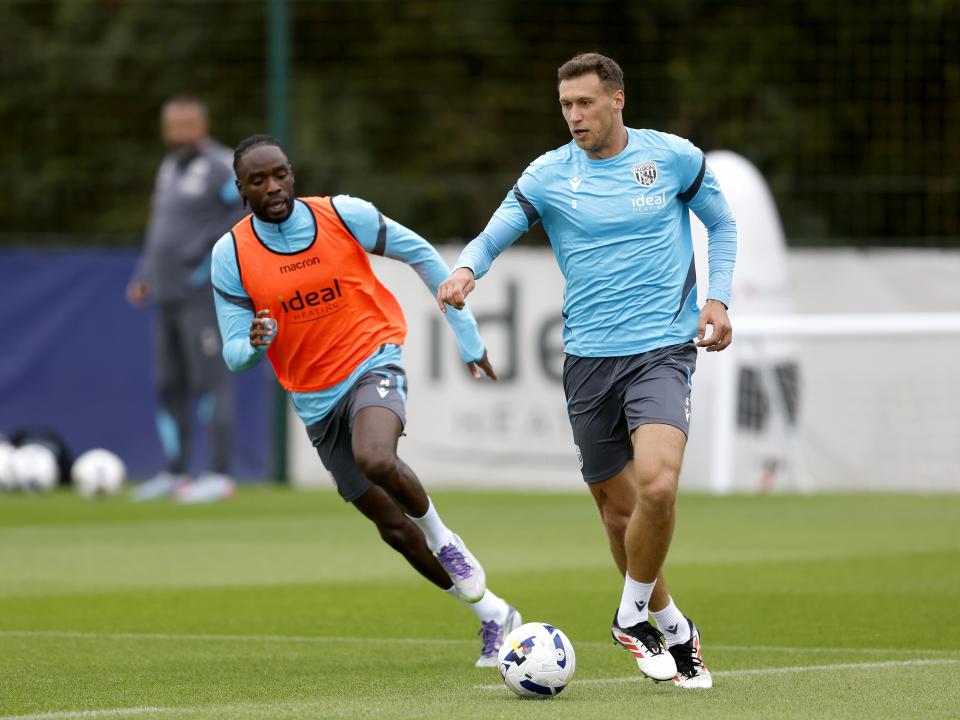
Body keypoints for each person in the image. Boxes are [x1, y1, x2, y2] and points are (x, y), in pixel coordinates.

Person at [438, 53, 737, 688]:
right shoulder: (549, 174)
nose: (574, 116)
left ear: (617, 100)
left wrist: (718, 297)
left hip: (662, 349)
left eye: (585, 103)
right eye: (566, 105)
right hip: (588, 359)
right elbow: (493, 234)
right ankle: (672, 624)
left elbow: (722, 224)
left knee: (659, 486)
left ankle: (628, 617)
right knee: (618, 514)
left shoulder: (673, 158)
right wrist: (466, 269)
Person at [210, 134, 521, 666]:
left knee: (375, 457)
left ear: (292, 174)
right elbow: (235, 354)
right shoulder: (231, 254)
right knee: (394, 529)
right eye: (258, 180)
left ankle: (445, 539)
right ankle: (495, 613)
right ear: (241, 189)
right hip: (313, 399)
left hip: (371, 358)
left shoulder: (342, 215)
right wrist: (255, 342)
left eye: (281, 174)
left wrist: (467, 337)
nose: (274, 187)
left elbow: (422, 254)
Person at [127, 96, 244, 503]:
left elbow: (243, 213)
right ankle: (174, 473)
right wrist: (144, 273)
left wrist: (203, 257)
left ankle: (218, 474)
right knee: (168, 383)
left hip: (202, 294)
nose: (179, 132)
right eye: (173, 124)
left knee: (210, 381)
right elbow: (160, 227)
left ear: (202, 125)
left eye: (187, 124)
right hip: (166, 293)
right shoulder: (168, 168)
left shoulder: (221, 166)